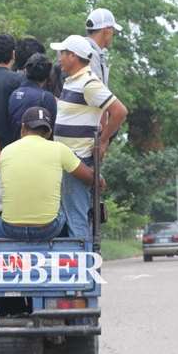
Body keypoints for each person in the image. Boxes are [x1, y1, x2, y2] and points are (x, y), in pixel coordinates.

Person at [50, 34, 127, 238]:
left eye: (62, 54)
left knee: (76, 216)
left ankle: (81, 264)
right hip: (67, 158)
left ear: (73, 56)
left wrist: (103, 142)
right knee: (71, 213)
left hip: (78, 158)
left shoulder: (89, 83)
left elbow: (119, 111)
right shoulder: (71, 82)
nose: (59, 58)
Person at [0, 107, 101, 241]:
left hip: (12, 229)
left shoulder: (6, 151)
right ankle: (78, 243)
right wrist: (99, 178)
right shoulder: (59, 149)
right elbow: (90, 179)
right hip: (47, 229)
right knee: (66, 210)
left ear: (23, 128)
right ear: (49, 132)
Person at [8, 53, 57, 140]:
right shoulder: (46, 97)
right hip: (38, 147)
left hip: (15, 145)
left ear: (26, 70)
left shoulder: (14, 93)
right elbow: (52, 128)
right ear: (48, 74)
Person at [85, 8, 122, 86]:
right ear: (107, 30)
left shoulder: (82, 49)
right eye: (113, 32)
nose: (113, 35)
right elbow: (96, 94)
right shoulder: (91, 55)